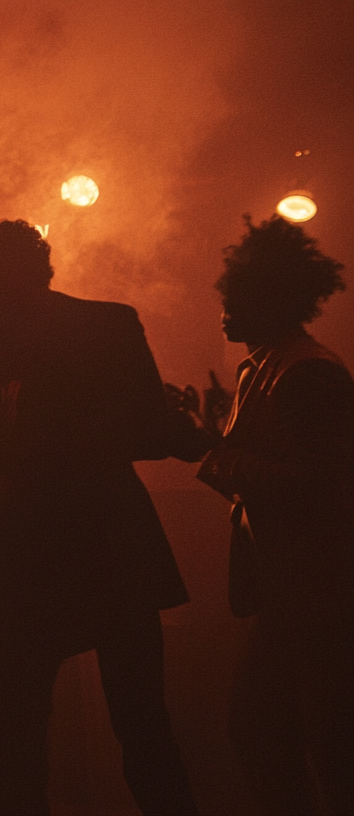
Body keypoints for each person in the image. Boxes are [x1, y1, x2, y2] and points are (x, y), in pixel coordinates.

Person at [0, 221, 206, 815]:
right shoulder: (103, 326)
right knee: (134, 724)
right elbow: (148, 431)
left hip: (47, 548)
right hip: (105, 545)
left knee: (22, 726)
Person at [196, 216, 352, 816]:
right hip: (292, 596)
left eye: (235, 298)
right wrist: (214, 443)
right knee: (266, 732)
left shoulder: (306, 371)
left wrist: (214, 447)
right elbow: (259, 488)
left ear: (272, 299)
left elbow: (314, 485)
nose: (224, 310)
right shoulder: (263, 367)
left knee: (325, 748)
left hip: (321, 597)